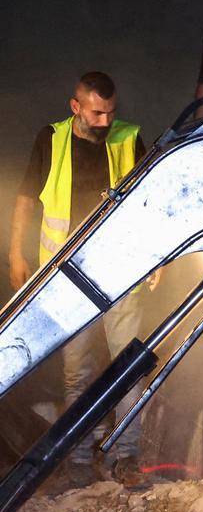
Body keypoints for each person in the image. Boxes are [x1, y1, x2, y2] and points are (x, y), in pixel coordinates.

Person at [9, 72, 149, 475]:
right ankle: (80, 459)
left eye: (111, 112)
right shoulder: (51, 140)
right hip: (67, 273)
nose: (105, 121)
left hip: (121, 266)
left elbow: (146, 198)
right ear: (76, 108)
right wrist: (16, 253)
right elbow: (25, 198)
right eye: (96, 112)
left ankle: (127, 458)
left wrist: (157, 257)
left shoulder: (127, 137)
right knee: (78, 372)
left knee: (128, 365)